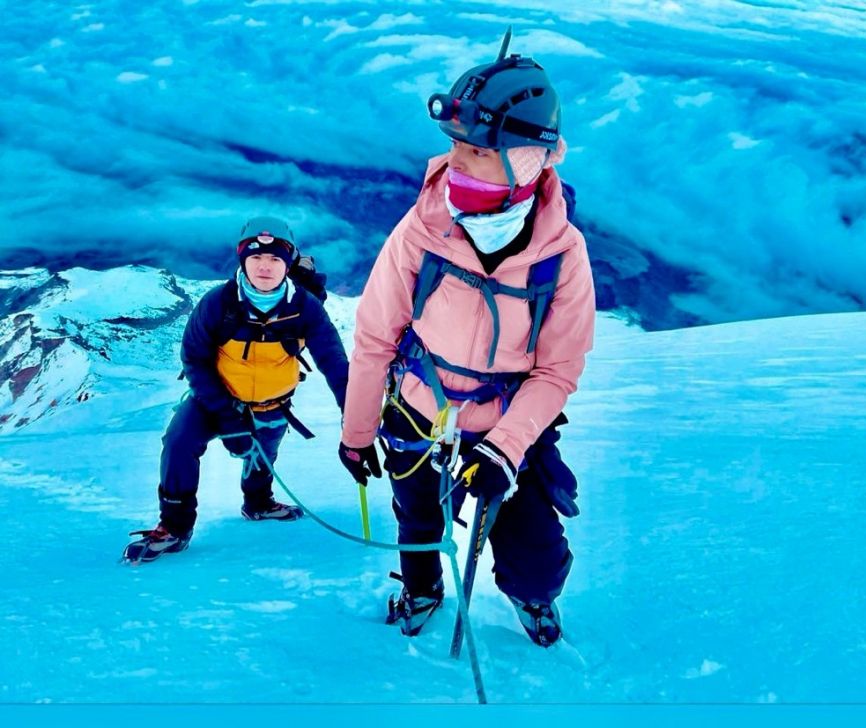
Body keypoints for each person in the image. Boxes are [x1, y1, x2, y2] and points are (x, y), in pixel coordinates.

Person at [338, 30, 595, 647]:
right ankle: (422, 585)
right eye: (457, 145)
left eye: (481, 150)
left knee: (533, 548)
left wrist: (505, 450)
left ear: (531, 159)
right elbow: (375, 336)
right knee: (418, 515)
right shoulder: (421, 229)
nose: (459, 161)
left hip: (502, 420)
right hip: (417, 408)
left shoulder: (561, 256)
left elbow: (557, 371)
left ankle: (533, 594)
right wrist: (356, 434)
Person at [124, 216, 349, 563]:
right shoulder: (218, 304)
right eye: (256, 258)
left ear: (288, 264)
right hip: (213, 399)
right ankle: (174, 526)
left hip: (273, 401)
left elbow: (334, 362)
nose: (265, 267)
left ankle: (258, 504)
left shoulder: (305, 309)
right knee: (179, 441)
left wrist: (355, 413)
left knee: (262, 454)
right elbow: (194, 360)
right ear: (243, 260)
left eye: (275, 259)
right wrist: (228, 419)